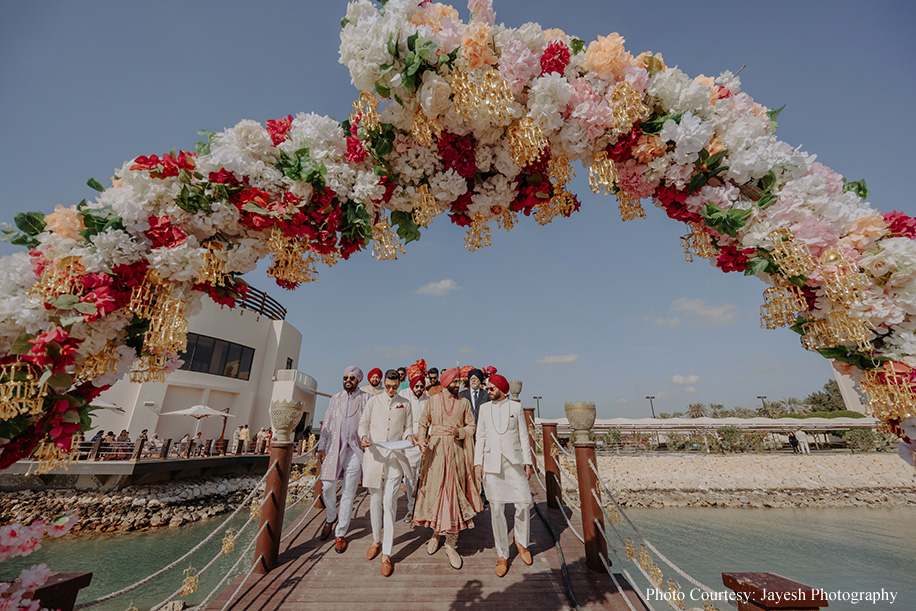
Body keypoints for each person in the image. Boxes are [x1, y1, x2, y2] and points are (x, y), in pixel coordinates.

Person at [414, 367, 482, 570]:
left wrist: (460, 431)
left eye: (458, 382)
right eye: (453, 382)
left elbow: (472, 426)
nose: (457, 385)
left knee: (452, 496)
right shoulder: (432, 401)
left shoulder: (464, 403)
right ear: (445, 382)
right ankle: (435, 533)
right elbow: (423, 422)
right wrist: (421, 439)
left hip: (456, 455)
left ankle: (451, 545)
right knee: (436, 494)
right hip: (434, 455)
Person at [474, 374, 534, 577]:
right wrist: (477, 463)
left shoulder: (516, 408)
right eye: (487, 389)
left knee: (524, 504)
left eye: (491, 389)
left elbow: (523, 436)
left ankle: (522, 542)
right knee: (497, 510)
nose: (488, 392)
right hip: (491, 464)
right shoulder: (484, 409)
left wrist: (528, 462)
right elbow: (480, 436)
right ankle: (502, 554)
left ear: (501, 389)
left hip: (514, 463)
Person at [359, 370, 416, 576]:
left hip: (394, 457)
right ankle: (376, 539)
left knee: (389, 503)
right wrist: (363, 436)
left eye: (394, 386)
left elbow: (408, 427)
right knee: (375, 500)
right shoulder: (374, 401)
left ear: (399, 384)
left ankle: (387, 553)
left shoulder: (405, 403)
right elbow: (363, 424)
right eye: (388, 386)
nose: (391, 390)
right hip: (374, 456)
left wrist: (409, 436)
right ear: (384, 384)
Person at [316, 366, 370, 554]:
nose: (348, 380)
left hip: (355, 451)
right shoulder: (335, 398)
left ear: (358, 380)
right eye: (346, 377)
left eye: (352, 378)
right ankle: (331, 517)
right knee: (327, 486)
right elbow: (328, 422)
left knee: (348, 492)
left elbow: (368, 423)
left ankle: (340, 533)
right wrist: (321, 446)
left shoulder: (366, 398)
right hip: (334, 450)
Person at [399, 369, 428, 522]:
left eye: (421, 387)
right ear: (411, 387)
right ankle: (411, 509)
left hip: (423, 444)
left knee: (421, 477)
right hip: (410, 443)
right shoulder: (405, 399)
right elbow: (403, 422)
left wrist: (423, 438)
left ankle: (421, 509)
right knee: (409, 478)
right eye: (416, 386)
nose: (418, 389)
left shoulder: (427, 401)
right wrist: (411, 436)